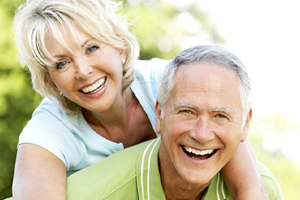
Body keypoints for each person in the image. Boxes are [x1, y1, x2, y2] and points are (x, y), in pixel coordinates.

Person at [11, 0, 267, 199]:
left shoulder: (173, 82)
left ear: (120, 47)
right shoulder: (46, 135)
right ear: (50, 81)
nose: (83, 70)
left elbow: (250, 189)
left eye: (91, 48)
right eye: (62, 63)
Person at [66, 45, 284, 200]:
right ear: (159, 114)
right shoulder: (87, 194)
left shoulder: (264, 189)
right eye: (187, 112)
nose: (202, 134)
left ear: (245, 124)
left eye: (220, 116)